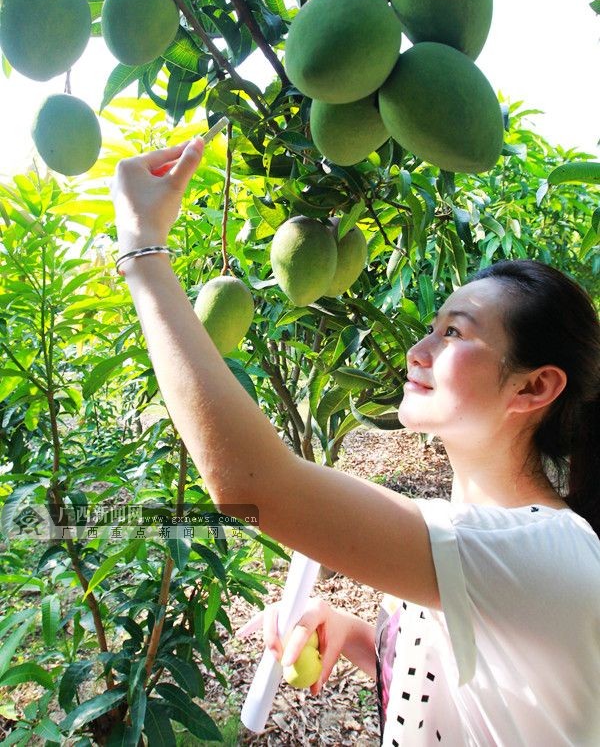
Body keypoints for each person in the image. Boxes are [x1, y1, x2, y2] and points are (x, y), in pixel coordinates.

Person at [112, 138, 600, 746]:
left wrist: (142, 248)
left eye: (455, 333)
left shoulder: (545, 550)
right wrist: (357, 637)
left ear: (534, 387)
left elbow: (253, 485)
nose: (418, 352)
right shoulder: (474, 539)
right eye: (430, 329)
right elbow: (478, 689)